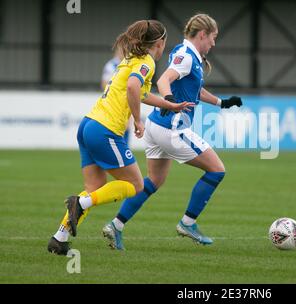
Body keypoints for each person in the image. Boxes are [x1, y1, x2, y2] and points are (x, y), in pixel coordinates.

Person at [47, 19, 194, 255]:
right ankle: (80, 203)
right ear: (160, 42)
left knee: (94, 187)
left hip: (89, 124)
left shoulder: (130, 59)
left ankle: (60, 238)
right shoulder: (146, 61)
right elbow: (133, 89)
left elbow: (142, 93)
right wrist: (137, 120)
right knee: (136, 185)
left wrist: (168, 104)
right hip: (105, 130)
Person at [102, 13, 243, 250]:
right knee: (217, 170)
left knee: (154, 181)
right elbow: (164, 80)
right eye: (213, 38)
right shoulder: (187, 56)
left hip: (156, 126)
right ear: (202, 35)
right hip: (172, 128)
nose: (214, 43)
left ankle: (115, 225)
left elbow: (193, 89)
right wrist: (168, 98)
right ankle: (188, 223)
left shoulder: (185, 53)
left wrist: (222, 103)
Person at [101, 49, 132, 144]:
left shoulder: (130, 64)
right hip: (114, 101)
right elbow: (104, 84)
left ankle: (124, 148)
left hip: (126, 101)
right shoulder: (112, 65)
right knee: (115, 127)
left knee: (127, 125)